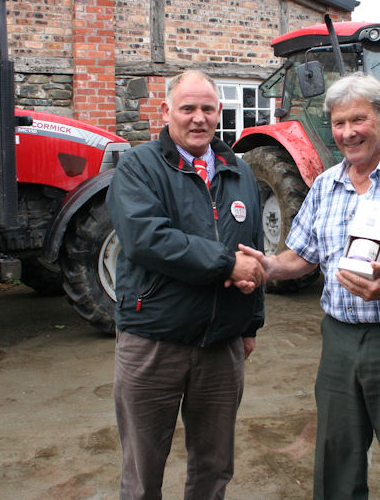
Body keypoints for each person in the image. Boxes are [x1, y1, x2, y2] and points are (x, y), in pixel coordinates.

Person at [240, 72, 380, 500]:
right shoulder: (327, 185)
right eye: (339, 123)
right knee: (336, 458)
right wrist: (265, 266)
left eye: (357, 120)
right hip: (340, 340)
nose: (347, 133)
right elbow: (301, 257)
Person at [106, 70, 266, 500]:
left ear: (219, 113)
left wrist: (251, 324)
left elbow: (254, 252)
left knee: (214, 469)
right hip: (154, 342)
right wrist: (225, 264)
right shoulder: (139, 167)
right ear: (166, 112)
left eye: (208, 109)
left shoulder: (239, 171)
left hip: (221, 347)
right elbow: (147, 240)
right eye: (188, 108)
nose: (199, 119)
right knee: (143, 472)